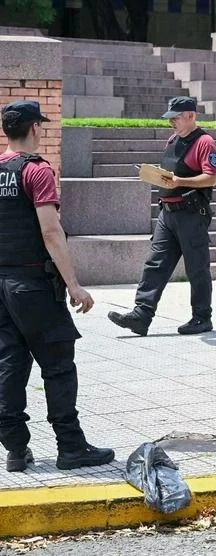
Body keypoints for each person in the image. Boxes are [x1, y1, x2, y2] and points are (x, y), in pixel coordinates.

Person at [0, 100, 114, 472]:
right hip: (33, 285)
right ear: (35, 128)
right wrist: (75, 285)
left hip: (2, 285)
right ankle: (70, 447)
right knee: (59, 365)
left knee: (10, 364)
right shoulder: (36, 171)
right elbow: (51, 232)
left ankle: (16, 449)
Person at [108, 96, 216, 336]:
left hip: (191, 214)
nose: (172, 123)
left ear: (191, 115)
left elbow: (211, 177)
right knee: (154, 265)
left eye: (176, 118)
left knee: (197, 268)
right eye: (170, 118)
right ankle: (141, 315)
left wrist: (181, 181)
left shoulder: (204, 142)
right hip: (167, 214)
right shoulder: (173, 139)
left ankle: (202, 318)